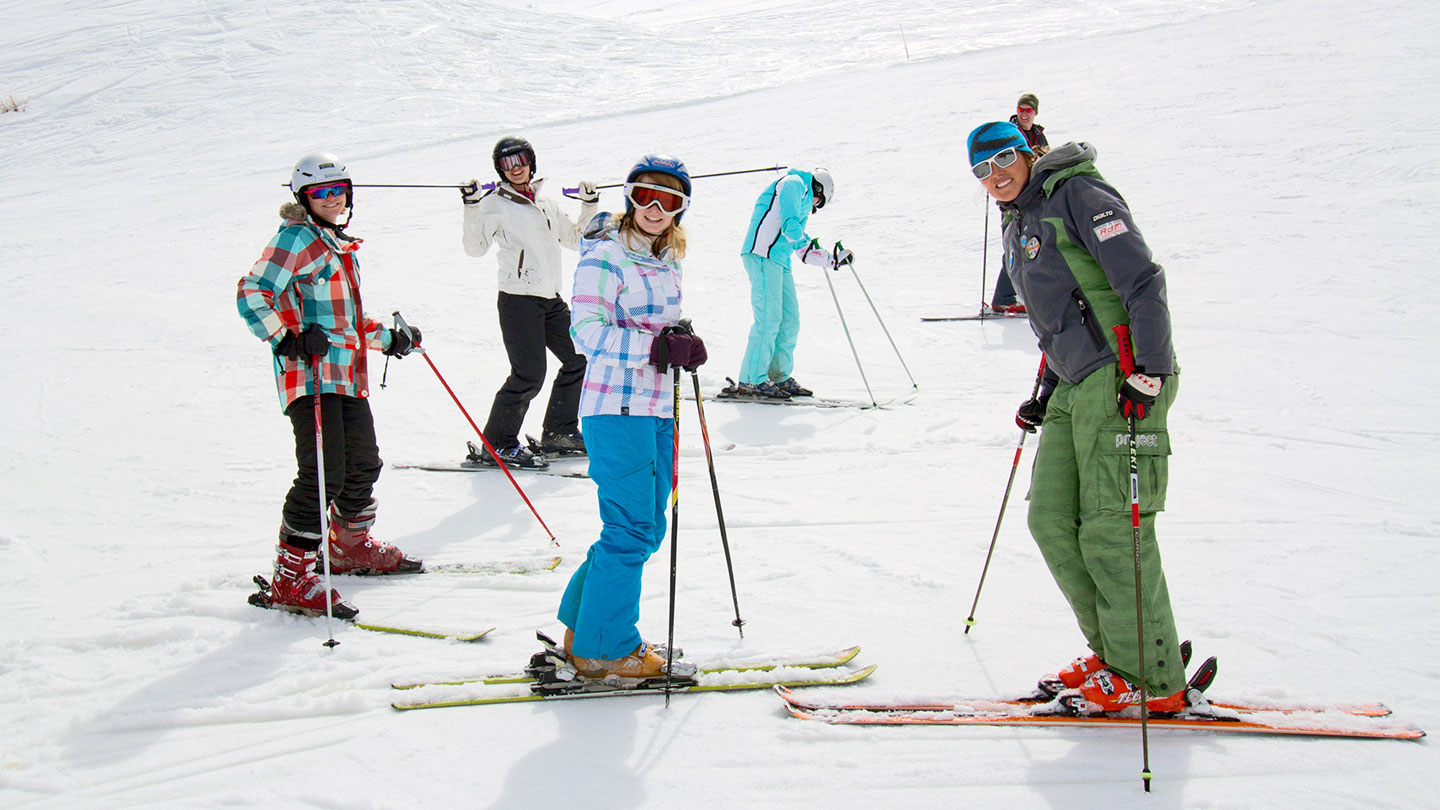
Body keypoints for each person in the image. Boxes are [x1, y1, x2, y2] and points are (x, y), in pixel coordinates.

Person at [966, 121, 1189, 713]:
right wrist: (1043, 386)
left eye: (1004, 160)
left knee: (1114, 528)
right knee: (1051, 521)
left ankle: (1155, 676)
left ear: (1028, 152)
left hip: (1122, 375)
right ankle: (1117, 654)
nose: (996, 177)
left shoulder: (1076, 194)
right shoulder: (1021, 218)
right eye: (982, 172)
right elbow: (1059, 313)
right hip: (1072, 381)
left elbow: (1141, 280)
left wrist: (1152, 369)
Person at [237, 152, 423, 618]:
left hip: (346, 375)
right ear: (303, 197)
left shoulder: (337, 246)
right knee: (322, 475)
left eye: (338, 190)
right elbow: (252, 290)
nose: (331, 199)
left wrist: (390, 339)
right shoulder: (296, 239)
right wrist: (288, 336)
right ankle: (292, 578)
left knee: (362, 464)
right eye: (321, 192)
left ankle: (348, 548)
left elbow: (347, 323)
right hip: (311, 375)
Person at [555, 154, 707, 679]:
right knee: (631, 528)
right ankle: (606, 649)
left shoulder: (666, 259)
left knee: (644, 527)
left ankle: (583, 626)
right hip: (614, 408)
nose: (656, 208)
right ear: (629, 198)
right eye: (646, 195)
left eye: (670, 200)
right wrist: (657, 349)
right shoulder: (604, 256)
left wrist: (680, 342)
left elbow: (656, 331)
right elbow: (587, 334)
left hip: (658, 409)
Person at [461, 136, 599, 469]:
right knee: (529, 375)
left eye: (521, 159)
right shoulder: (494, 204)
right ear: (500, 169)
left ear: (531, 161)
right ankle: (497, 444)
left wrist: (589, 206)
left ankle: (559, 432)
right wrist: (471, 206)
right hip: (518, 301)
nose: (516, 167)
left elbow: (577, 240)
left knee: (580, 357)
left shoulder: (546, 203)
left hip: (550, 300)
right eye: (507, 163)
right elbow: (475, 247)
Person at [732, 167, 847, 399]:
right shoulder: (794, 184)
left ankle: (779, 376)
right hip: (762, 254)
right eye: (819, 201)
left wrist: (832, 259)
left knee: (789, 320)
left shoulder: (803, 199)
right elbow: (791, 228)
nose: (816, 207)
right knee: (768, 318)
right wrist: (816, 249)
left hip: (779, 260)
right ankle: (752, 380)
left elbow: (802, 251)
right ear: (817, 187)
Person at [991, 94, 1049, 313]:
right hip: (1012, 197)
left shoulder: (1039, 136)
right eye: (1021, 109)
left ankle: (1023, 295)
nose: (1024, 114)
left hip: (1032, 196)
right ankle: (1003, 298)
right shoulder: (1009, 133)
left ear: (1035, 113)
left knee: (1032, 245)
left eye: (1029, 110)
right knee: (1015, 245)